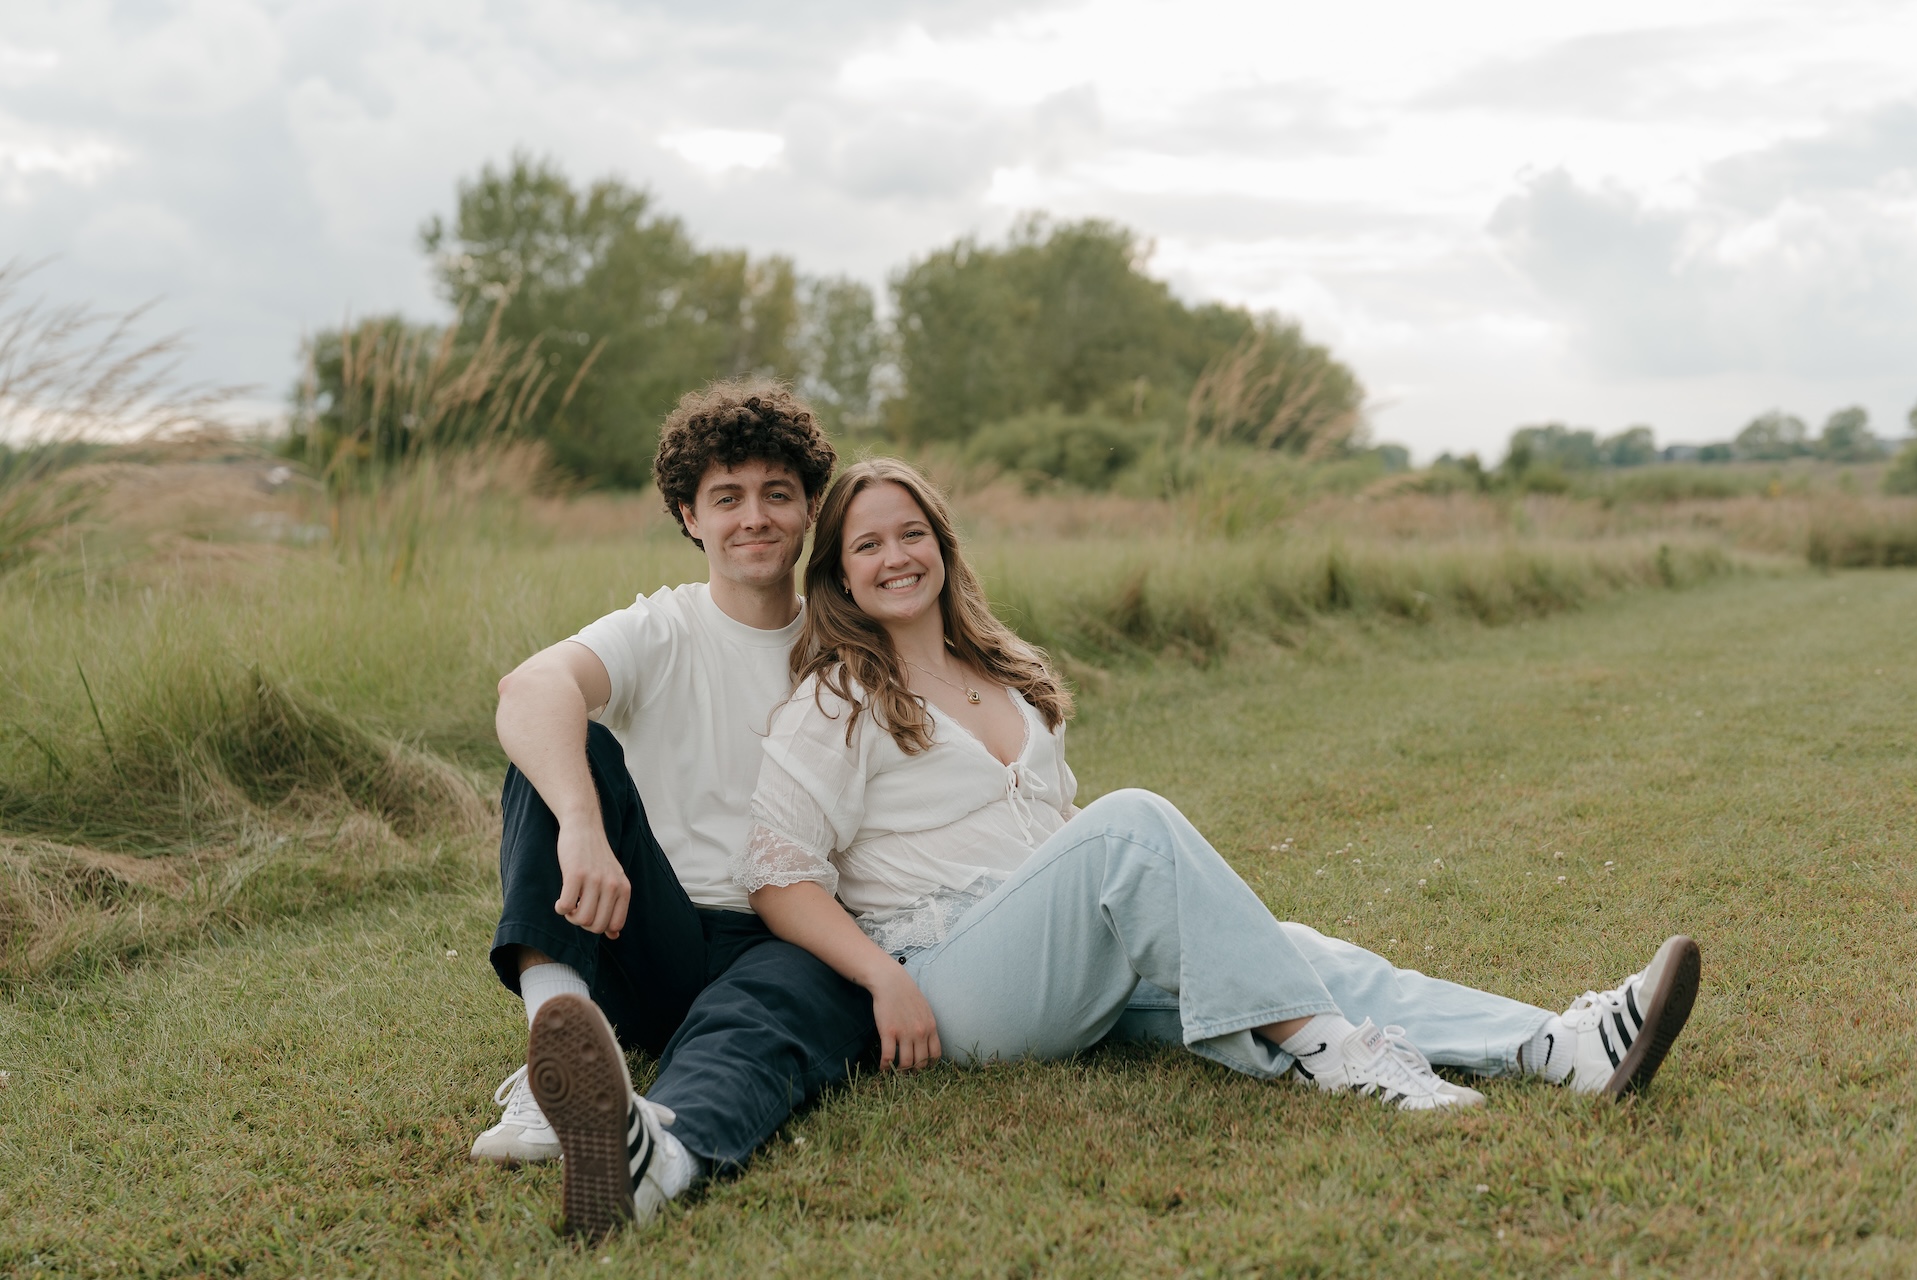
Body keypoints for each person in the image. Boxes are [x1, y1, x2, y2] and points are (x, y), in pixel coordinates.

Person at [738, 458, 1702, 1109]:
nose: (895, 557)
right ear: (840, 576)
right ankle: (1340, 1059)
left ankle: (1558, 1048)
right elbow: (779, 878)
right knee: (1131, 825)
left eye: (911, 533)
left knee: (1291, 950)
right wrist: (884, 981)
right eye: (867, 546)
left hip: (1060, 955)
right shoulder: (838, 700)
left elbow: (1055, 837)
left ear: (942, 545)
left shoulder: (1003, 670)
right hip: (950, 982)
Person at [472, 382, 876, 1239]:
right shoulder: (662, 628)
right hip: (647, 934)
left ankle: (652, 1150)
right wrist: (582, 822)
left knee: (760, 1027)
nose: (753, 517)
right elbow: (529, 689)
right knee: (557, 746)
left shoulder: (848, 651)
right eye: (726, 498)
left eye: (777, 494)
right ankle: (555, 1051)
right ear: (691, 518)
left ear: (809, 512)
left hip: (789, 936)